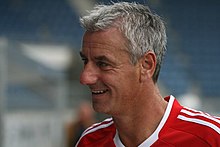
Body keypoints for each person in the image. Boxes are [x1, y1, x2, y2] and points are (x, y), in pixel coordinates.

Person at [76, 2, 220, 146]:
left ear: (146, 65)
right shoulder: (89, 141)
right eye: (85, 61)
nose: (85, 77)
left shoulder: (212, 138)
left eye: (103, 64)